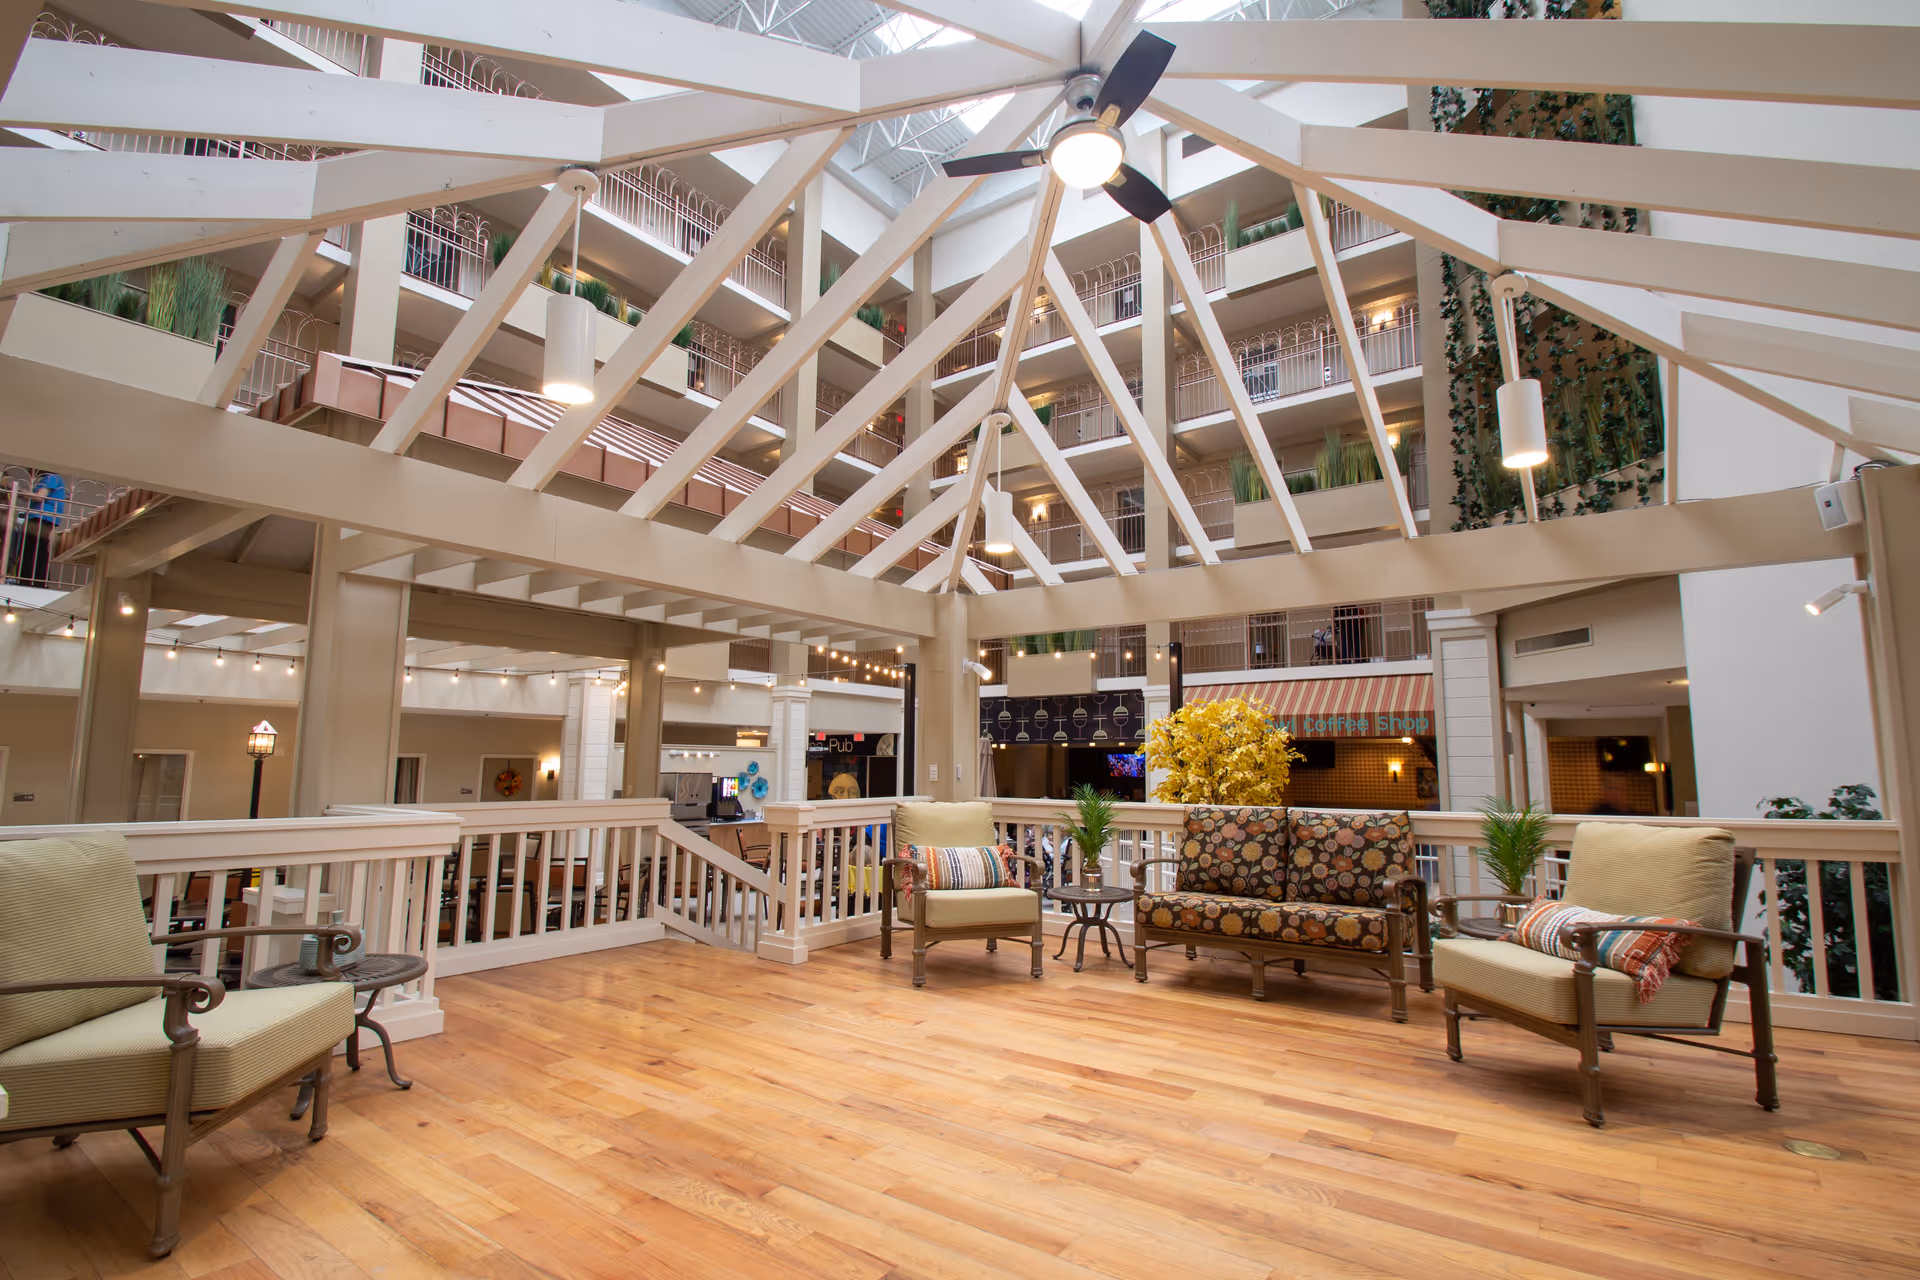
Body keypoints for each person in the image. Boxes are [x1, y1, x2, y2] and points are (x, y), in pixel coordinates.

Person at [14, 471, 66, 585]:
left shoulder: (51, 478)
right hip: (39, 517)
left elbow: (39, 497)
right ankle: (29, 580)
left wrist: (18, 491)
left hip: (42, 518)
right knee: (32, 550)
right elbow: (34, 499)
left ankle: (33, 580)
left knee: (34, 550)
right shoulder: (46, 480)